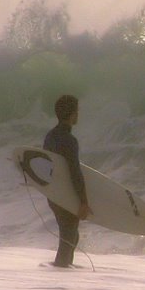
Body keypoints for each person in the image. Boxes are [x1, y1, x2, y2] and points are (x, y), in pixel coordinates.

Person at [43, 95, 92, 267]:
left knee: (70, 235)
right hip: (65, 194)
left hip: (53, 194)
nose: (78, 114)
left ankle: (61, 268)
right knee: (69, 235)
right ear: (72, 114)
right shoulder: (69, 140)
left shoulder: (50, 136)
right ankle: (60, 271)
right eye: (77, 111)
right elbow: (74, 172)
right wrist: (83, 201)